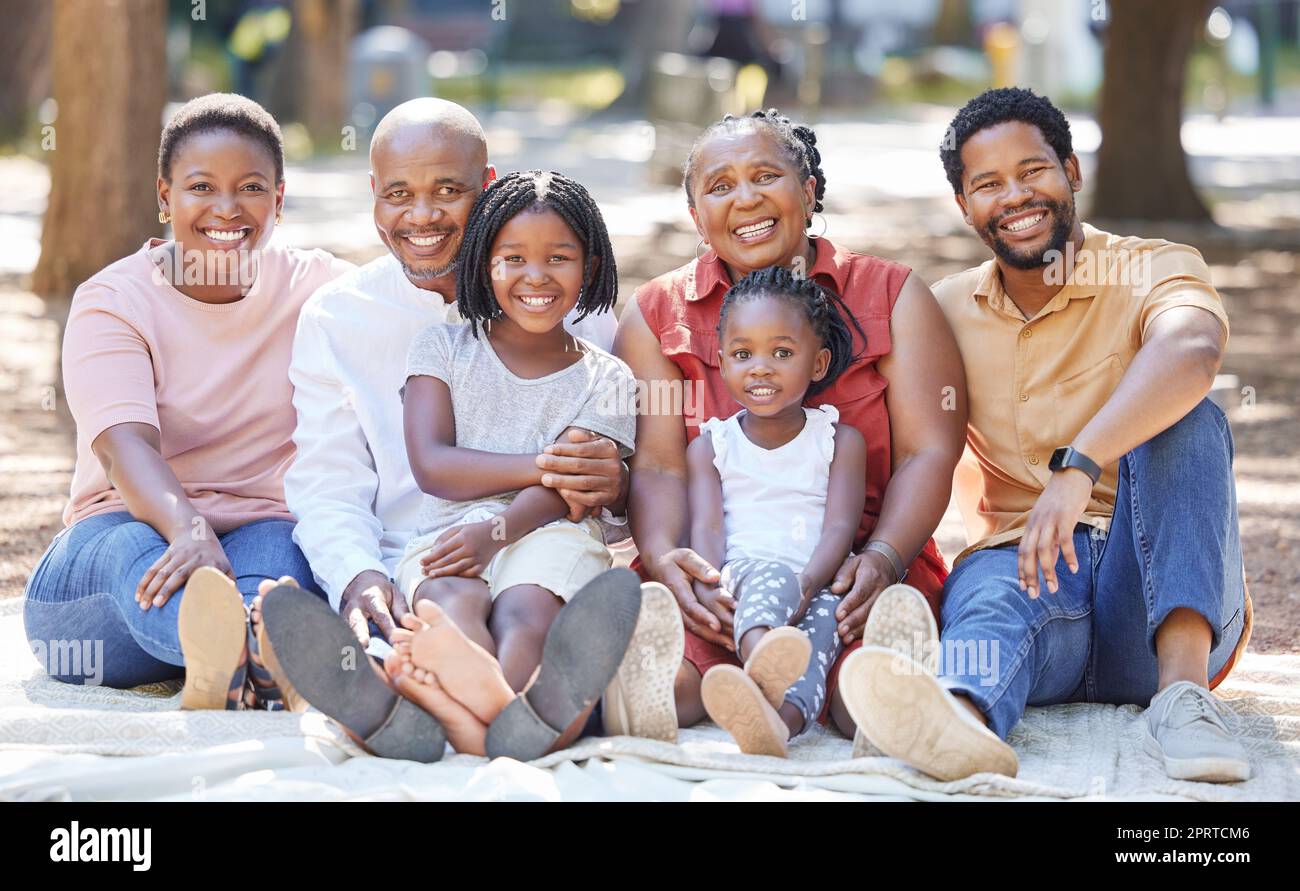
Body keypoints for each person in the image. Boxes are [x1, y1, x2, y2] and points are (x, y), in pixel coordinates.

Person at [839, 87, 1252, 784]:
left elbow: (1193, 350)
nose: (1016, 196)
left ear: (1071, 172)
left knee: (1190, 414)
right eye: (988, 184)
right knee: (991, 595)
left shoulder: (1151, 264)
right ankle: (956, 717)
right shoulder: (942, 310)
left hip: (1154, 591)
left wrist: (1078, 465)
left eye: (1033, 171)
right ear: (965, 206)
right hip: (1027, 568)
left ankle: (1183, 700)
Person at [616, 108, 967, 740]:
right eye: (719, 186)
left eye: (765, 176)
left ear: (808, 192)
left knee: (862, 695)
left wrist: (885, 557)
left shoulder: (891, 295)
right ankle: (677, 688)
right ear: (697, 217)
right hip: (718, 565)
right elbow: (660, 463)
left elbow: (928, 452)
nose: (744, 198)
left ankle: (878, 695)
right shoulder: (656, 316)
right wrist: (669, 557)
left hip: (858, 565)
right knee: (674, 690)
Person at [23, 93, 351, 709]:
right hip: (112, 548)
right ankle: (249, 659)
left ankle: (244, 651)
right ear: (164, 196)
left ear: (278, 199)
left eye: (251, 187)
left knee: (281, 572)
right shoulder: (113, 302)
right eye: (201, 187)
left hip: (258, 523)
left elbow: (422, 309)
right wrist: (189, 529)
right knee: (134, 554)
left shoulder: (321, 290)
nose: (226, 209)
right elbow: (126, 448)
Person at [284, 99, 624, 647]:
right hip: (410, 567)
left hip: (547, 554)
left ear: (487, 184)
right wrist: (357, 574)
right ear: (374, 193)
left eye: (448, 190)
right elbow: (328, 482)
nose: (421, 216)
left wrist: (616, 486)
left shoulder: (571, 307)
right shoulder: (337, 317)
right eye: (398, 195)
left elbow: (605, 477)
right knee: (416, 639)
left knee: (535, 630)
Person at [689, 267, 867, 756]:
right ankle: (761, 657)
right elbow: (707, 527)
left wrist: (811, 583)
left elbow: (840, 526)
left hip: (817, 582)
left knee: (819, 643)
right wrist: (713, 586)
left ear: (817, 363)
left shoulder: (839, 440)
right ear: (722, 363)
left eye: (782, 353)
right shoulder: (713, 445)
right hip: (745, 577)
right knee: (770, 577)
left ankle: (777, 724)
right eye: (743, 355)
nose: (761, 368)